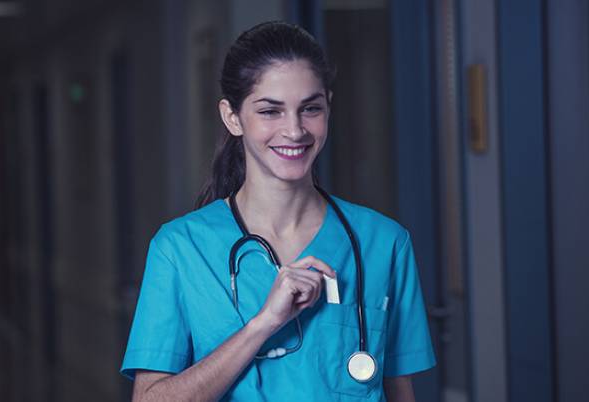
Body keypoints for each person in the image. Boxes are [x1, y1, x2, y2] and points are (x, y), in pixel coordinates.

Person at [121, 21, 435, 402]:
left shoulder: (384, 244)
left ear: (328, 107)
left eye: (310, 109)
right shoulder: (180, 249)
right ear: (232, 117)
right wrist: (263, 324)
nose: (295, 130)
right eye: (270, 111)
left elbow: (399, 390)